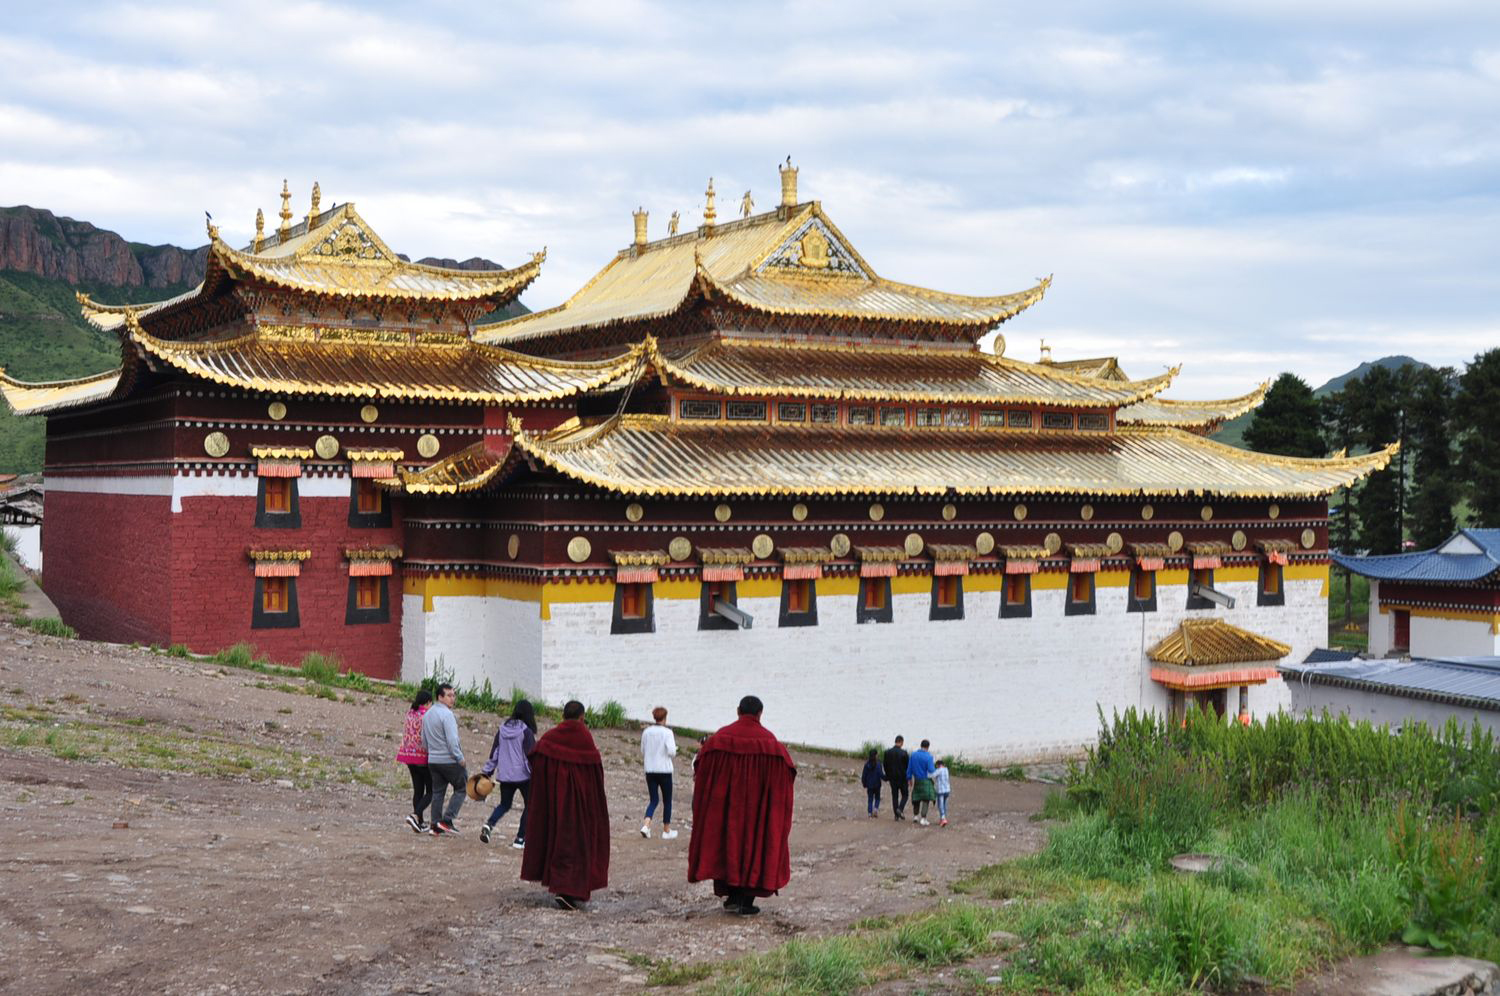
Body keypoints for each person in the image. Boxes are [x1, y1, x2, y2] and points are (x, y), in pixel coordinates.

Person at [688, 695, 796, 916]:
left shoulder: (718, 741)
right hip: (757, 813)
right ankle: (745, 902)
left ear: (738, 711)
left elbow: (701, 769)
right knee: (754, 846)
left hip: (727, 810)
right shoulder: (773, 747)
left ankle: (732, 898)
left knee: (727, 845)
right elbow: (786, 779)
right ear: (759, 714)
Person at [520, 700, 610, 910]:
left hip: (554, 805)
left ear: (563, 716)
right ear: (582, 717)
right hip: (579, 806)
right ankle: (568, 891)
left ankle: (562, 888)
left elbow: (536, 764)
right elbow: (595, 775)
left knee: (557, 840)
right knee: (577, 845)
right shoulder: (584, 738)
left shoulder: (550, 737)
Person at [479, 699, 536, 848]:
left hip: (505, 775)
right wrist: (537, 773)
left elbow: (495, 753)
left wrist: (487, 772)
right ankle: (520, 838)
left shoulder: (502, 729)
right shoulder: (526, 731)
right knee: (530, 805)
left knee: (504, 804)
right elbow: (530, 756)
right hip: (524, 776)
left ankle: (489, 825)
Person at [421, 683, 467, 835]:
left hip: (433, 760)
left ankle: (435, 825)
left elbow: (424, 740)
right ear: (440, 697)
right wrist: (459, 758)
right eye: (449, 695)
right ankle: (447, 820)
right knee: (461, 788)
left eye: (454, 695)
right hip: (449, 760)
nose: (452, 699)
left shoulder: (427, 714)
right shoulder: (447, 715)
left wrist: (431, 753)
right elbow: (452, 741)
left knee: (438, 792)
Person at [396, 689, 433, 833]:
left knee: (418, 789)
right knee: (432, 790)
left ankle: (420, 822)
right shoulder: (427, 715)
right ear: (428, 702)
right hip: (422, 757)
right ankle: (415, 815)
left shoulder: (410, 713)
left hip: (407, 755)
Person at [640, 706, 678, 840]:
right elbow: (672, 752)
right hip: (664, 770)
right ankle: (666, 830)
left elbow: (643, 750)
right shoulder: (668, 733)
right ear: (665, 718)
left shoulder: (646, 732)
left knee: (654, 799)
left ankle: (646, 824)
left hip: (650, 770)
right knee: (667, 800)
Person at [907, 739, 936, 827]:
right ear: (928, 747)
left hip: (917, 779)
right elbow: (931, 770)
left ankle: (915, 816)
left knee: (916, 798)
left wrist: (909, 778)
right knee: (926, 799)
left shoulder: (913, 755)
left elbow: (909, 768)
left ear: (921, 745)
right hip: (926, 779)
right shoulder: (929, 757)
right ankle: (923, 818)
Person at [883, 736, 910, 821]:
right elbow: (907, 766)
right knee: (905, 795)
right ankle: (900, 809)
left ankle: (896, 815)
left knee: (895, 796)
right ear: (901, 742)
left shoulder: (887, 752)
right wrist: (908, 777)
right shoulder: (904, 753)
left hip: (892, 778)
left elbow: (885, 765)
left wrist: (887, 775)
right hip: (902, 778)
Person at [860, 748, 884, 818]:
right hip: (877, 784)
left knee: (870, 799)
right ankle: (875, 809)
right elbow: (881, 774)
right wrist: (886, 778)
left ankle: (870, 813)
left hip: (869, 785)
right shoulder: (879, 764)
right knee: (877, 798)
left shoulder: (867, 764)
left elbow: (864, 775)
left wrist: (864, 783)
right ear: (876, 755)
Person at [933, 759, 951, 828]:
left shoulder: (939, 770)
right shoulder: (946, 770)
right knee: (945, 805)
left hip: (940, 790)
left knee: (940, 805)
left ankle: (943, 818)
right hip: (947, 789)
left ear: (938, 765)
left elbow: (932, 775)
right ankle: (943, 818)